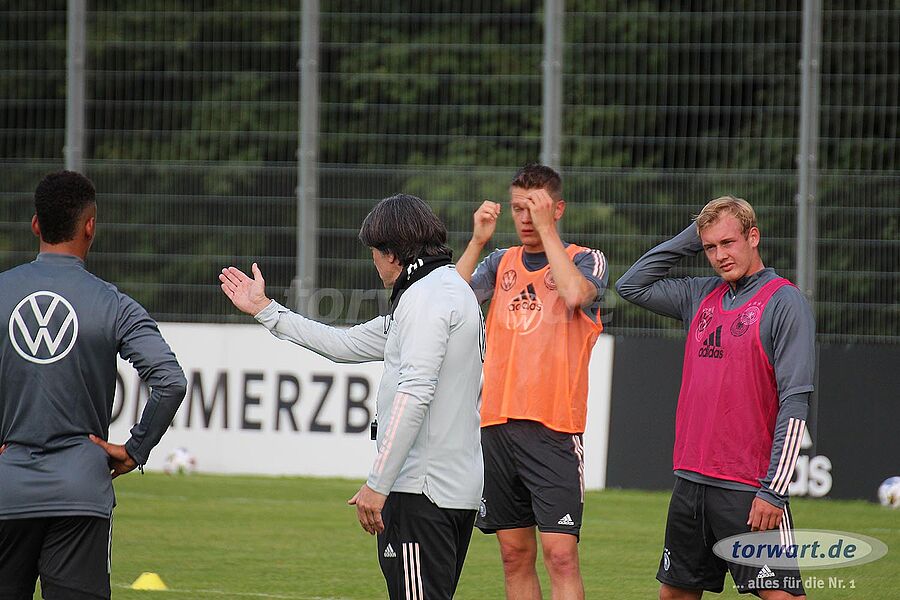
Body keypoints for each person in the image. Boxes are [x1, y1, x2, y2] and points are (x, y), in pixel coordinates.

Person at [219, 193, 484, 600]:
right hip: (454, 491)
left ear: (392, 253)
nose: (373, 262)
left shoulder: (425, 299)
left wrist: (379, 482)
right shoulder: (449, 290)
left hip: (420, 491)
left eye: (374, 252)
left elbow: (415, 393)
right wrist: (267, 310)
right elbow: (344, 344)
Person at [0, 171, 188, 600]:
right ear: (90, 226)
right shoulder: (113, 303)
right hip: (80, 489)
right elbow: (170, 381)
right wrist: (136, 448)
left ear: (35, 225)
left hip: (6, 490)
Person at [616, 196, 814, 599]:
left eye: (728, 242)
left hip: (747, 487)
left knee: (781, 596)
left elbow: (795, 403)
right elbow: (630, 285)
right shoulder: (699, 294)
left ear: (753, 237)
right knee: (674, 594)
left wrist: (773, 491)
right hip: (690, 483)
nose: (720, 256)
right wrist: (694, 235)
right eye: (709, 247)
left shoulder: (784, 301)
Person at [456, 164, 607, 600]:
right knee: (513, 556)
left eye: (535, 208)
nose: (525, 218)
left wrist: (546, 231)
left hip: (554, 430)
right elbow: (448, 301)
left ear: (557, 209)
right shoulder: (499, 261)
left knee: (561, 556)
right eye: (518, 209)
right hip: (497, 426)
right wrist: (477, 241)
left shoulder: (585, 259)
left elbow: (575, 294)